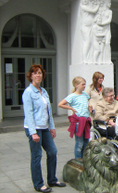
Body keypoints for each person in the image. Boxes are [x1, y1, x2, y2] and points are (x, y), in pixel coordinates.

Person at [22, 64, 66, 192]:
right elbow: (28, 114)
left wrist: (52, 127)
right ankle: (38, 184)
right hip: (34, 128)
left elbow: (49, 111)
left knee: (52, 152)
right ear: (30, 76)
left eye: (40, 73)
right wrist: (33, 133)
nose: (38, 75)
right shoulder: (28, 92)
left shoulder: (44, 91)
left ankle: (52, 179)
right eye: (35, 73)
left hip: (45, 127)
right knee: (37, 156)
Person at [58, 76, 92, 159]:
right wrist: (70, 108)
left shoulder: (85, 95)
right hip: (78, 121)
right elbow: (60, 104)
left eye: (85, 84)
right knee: (79, 143)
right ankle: (78, 159)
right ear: (76, 85)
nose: (84, 86)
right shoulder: (72, 96)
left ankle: (84, 159)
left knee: (86, 142)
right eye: (83, 84)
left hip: (86, 119)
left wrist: (90, 108)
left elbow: (85, 105)